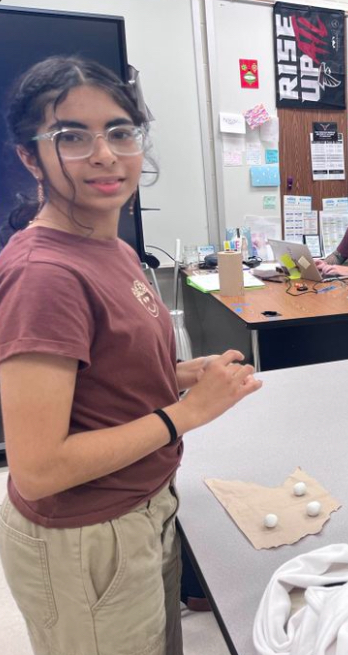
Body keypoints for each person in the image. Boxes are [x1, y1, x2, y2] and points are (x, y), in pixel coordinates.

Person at [0, 56, 262, 655]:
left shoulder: (111, 248)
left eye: (120, 132)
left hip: (142, 507)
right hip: (87, 535)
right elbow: (38, 469)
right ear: (28, 156)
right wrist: (186, 413)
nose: (104, 154)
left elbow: (96, 383)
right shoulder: (46, 274)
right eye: (71, 136)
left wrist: (173, 376)